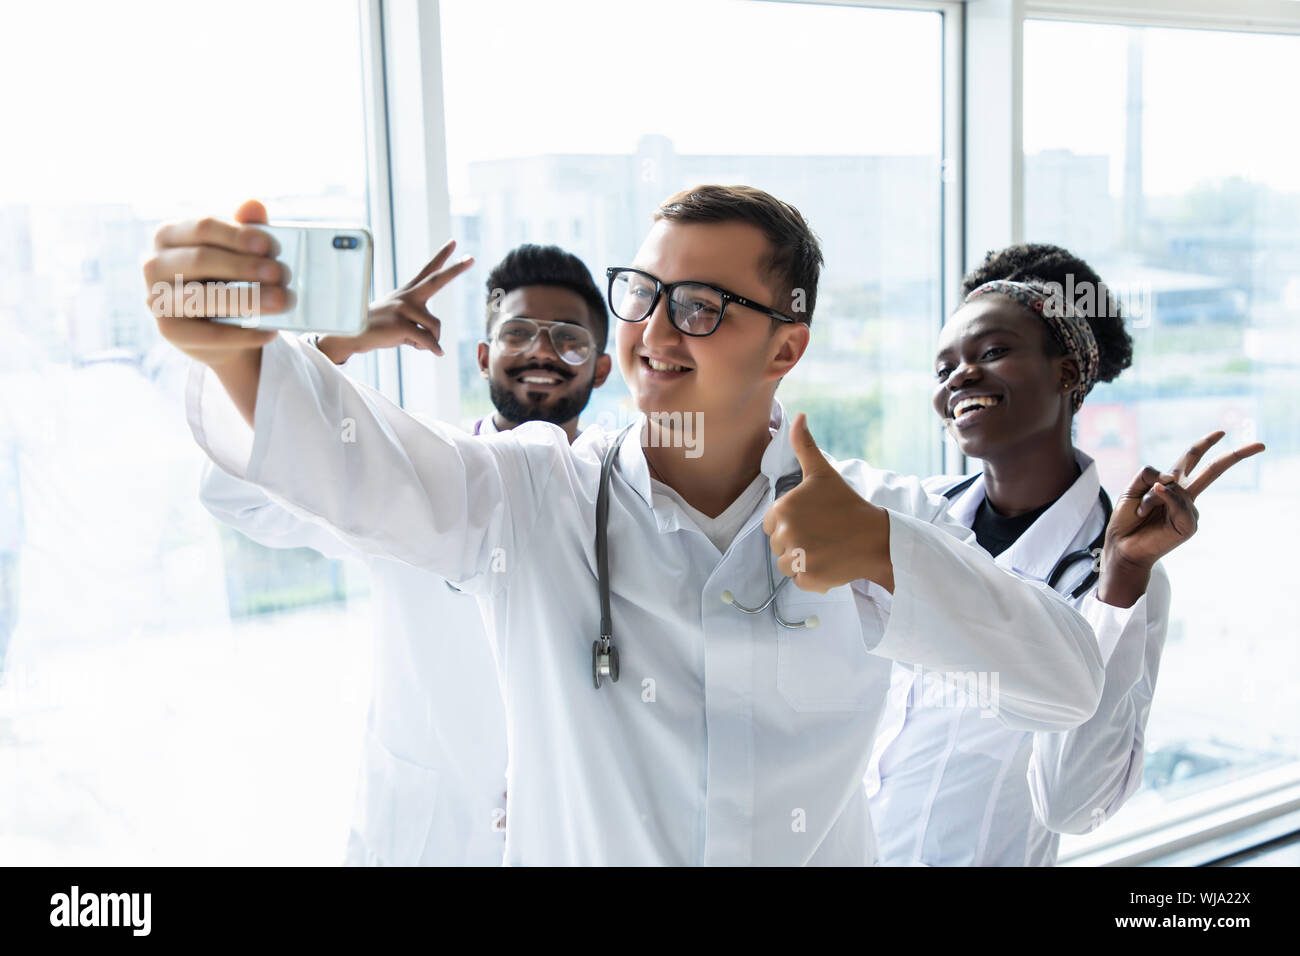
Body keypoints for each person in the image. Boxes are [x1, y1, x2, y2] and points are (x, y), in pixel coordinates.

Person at [146, 186, 1106, 866]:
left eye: (698, 306)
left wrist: (888, 559)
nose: (651, 331)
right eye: (641, 295)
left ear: (788, 345)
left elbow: (1068, 684)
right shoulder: (533, 492)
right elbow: (359, 466)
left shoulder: (874, 513)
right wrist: (238, 351)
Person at [196, 240, 612, 866]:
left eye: (568, 339)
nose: (540, 352)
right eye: (518, 332)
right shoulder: (410, 476)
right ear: (483, 356)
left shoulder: (625, 493)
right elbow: (237, 492)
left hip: (577, 833)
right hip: (428, 836)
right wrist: (342, 340)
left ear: (601, 368)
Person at [866, 243, 1265, 866]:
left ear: (1068, 373)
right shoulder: (913, 512)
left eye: (993, 352)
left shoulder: (1118, 579)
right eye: (944, 368)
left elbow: (1073, 805)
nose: (960, 378)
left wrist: (1121, 583)